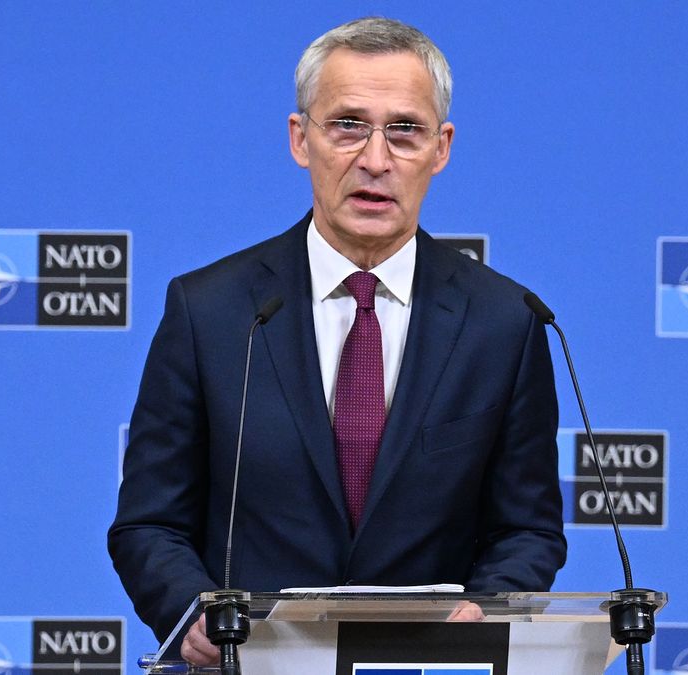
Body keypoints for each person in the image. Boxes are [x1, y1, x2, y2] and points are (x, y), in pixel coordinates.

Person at [108, 17, 566, 666]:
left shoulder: (503, 322)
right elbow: (150, 523)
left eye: (404, 130)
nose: (375, 159)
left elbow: (528, 529)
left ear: (442, 148)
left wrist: (487, 607)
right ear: (301, 139)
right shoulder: (209, 311)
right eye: (348, 124)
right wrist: (195, 614)